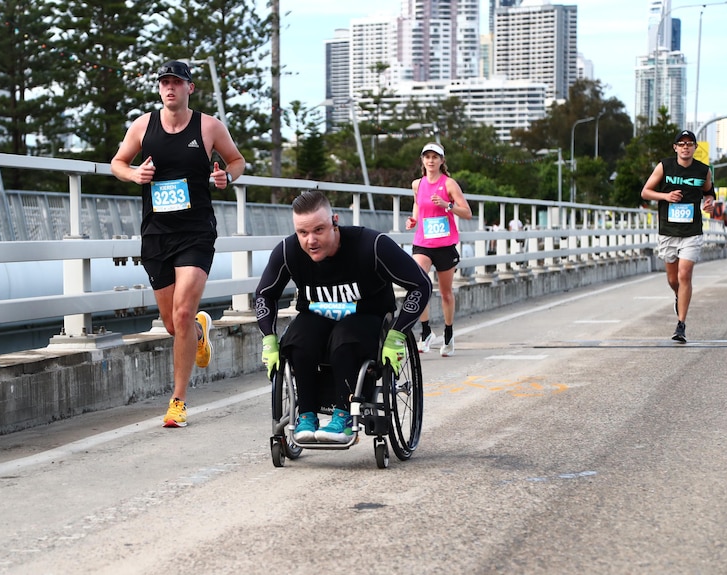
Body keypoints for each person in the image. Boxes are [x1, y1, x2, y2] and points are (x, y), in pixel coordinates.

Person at [111, 59, 246, 427]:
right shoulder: (143, 126)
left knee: (183, 313)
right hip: (156, 234)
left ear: (190, 88)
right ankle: (200, 332)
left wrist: (225, 178)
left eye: (177, 82)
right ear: (160, 89)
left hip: (196, 232)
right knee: (174, 324)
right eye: (164, 83)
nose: (170, 88)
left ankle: (178, 401)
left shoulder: (208, 126)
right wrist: (135, 173)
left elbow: (236, 160)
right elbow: (117, 163)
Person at [255, 191, 432, 443]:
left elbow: (421, 285)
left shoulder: (371, 245)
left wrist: (396, 335)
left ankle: (344, 416)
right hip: (317, 316)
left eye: (319, 230)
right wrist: (269, 340)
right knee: (296, 341)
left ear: (335, 221)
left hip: (367, 316)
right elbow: (263, 294)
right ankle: (305, 415)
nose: (310, 240)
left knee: (344, 340)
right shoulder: (288, 251)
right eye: (302, 233)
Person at [640, 129, 714, 343]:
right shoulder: (664, 166)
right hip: (668, 230)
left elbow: (709, 192)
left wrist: (709, 201)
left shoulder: (703, 170)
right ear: (675, 148)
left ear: (695, 148)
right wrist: (666, 196)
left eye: (689, 143)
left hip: (692, 231)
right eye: (681, 144)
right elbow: (646, 192)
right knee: (673, 279)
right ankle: (678, 296)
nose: (685, 147)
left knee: (684, 275)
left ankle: (681, 325)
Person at [405, 142, 472, 357]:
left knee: (445, 293)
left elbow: (467, 213)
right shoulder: (417, 184)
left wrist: (447, 205)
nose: (431, 160)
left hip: (444, 245)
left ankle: (449, 335)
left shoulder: (449, 184)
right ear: (422, 160)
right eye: (427, 157)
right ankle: (425, 333)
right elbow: (418, 204)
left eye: (435, 157)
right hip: (423, 242)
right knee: (418, 283)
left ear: (442, 161)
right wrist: (414, 219)